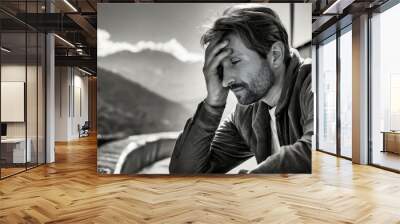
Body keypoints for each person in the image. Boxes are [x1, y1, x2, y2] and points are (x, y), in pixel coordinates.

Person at [169, 5, 313, 174]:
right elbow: (184, 173)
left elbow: (318, 152)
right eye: (220, 67)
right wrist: (212, 105)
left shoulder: (315, 84)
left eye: (235, 61)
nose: (226, 80)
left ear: (275, 55)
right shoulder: (246, 114)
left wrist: (252, 182)